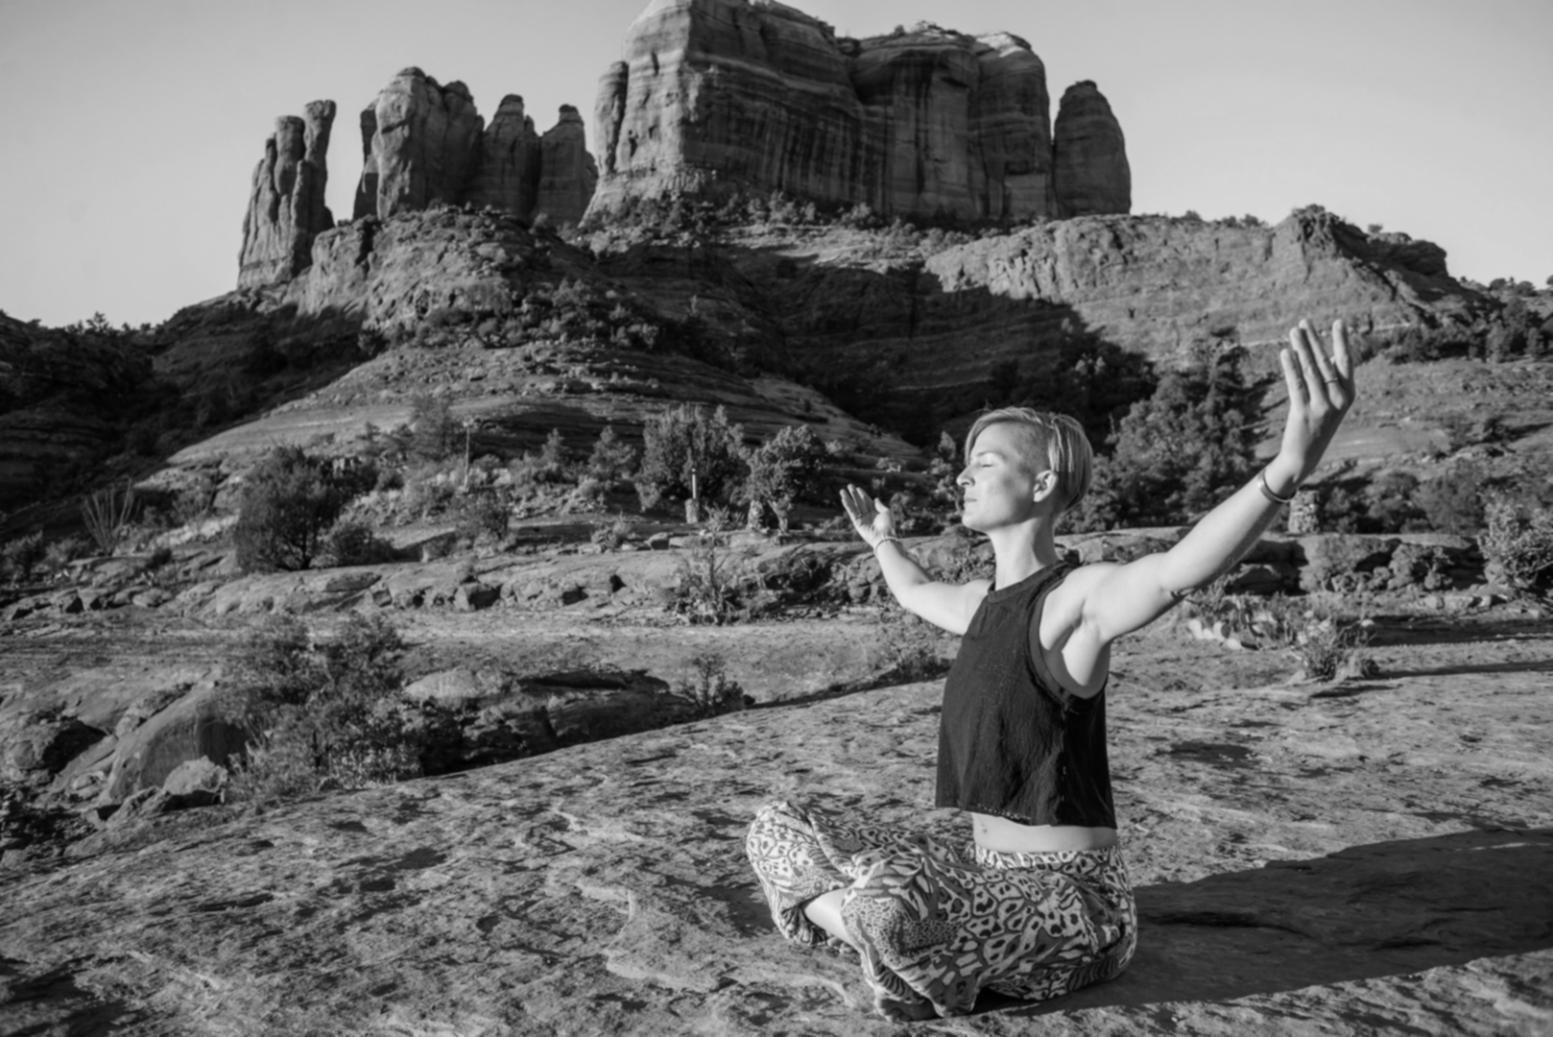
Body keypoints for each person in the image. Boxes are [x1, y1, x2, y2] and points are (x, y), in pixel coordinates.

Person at [746, 319, 1356, 1019]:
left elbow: (1176, 571)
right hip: (979, 874)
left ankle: (894, 939)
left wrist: (1286, 468)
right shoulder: (981, 605)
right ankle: (904, 947)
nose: (961, 476)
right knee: (778, 826)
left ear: (1041, 482)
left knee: (889, 908)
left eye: (984, 462)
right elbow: (914, 591)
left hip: (1073, 902)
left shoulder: (1075, 600)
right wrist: (881, 539)